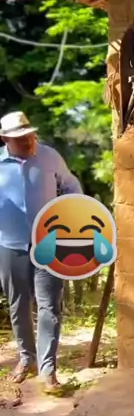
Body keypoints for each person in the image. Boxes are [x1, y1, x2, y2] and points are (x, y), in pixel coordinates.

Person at [0, 111, 82, 390]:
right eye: (20, 138)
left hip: (48, 243)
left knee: (49, 306)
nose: (27, 141)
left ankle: (48, 369)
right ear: (5, 139)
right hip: (10, 245)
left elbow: (71, 185)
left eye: (29, 134)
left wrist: (76, 215)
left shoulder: (49, 156)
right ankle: (27, 358)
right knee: (18, 304)